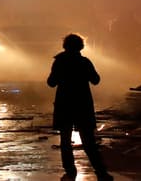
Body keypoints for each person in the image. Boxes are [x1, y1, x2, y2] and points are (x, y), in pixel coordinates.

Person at [47, 33, 112, 181]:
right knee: (89, 141)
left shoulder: (59, 61)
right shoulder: (84, 62)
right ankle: (101, 171)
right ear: (80, 46)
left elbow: (51, 83)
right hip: (82, 104)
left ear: (65, 46)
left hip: (64, 104)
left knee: (65, 140)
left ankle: (70, 171)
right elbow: (96, 80)